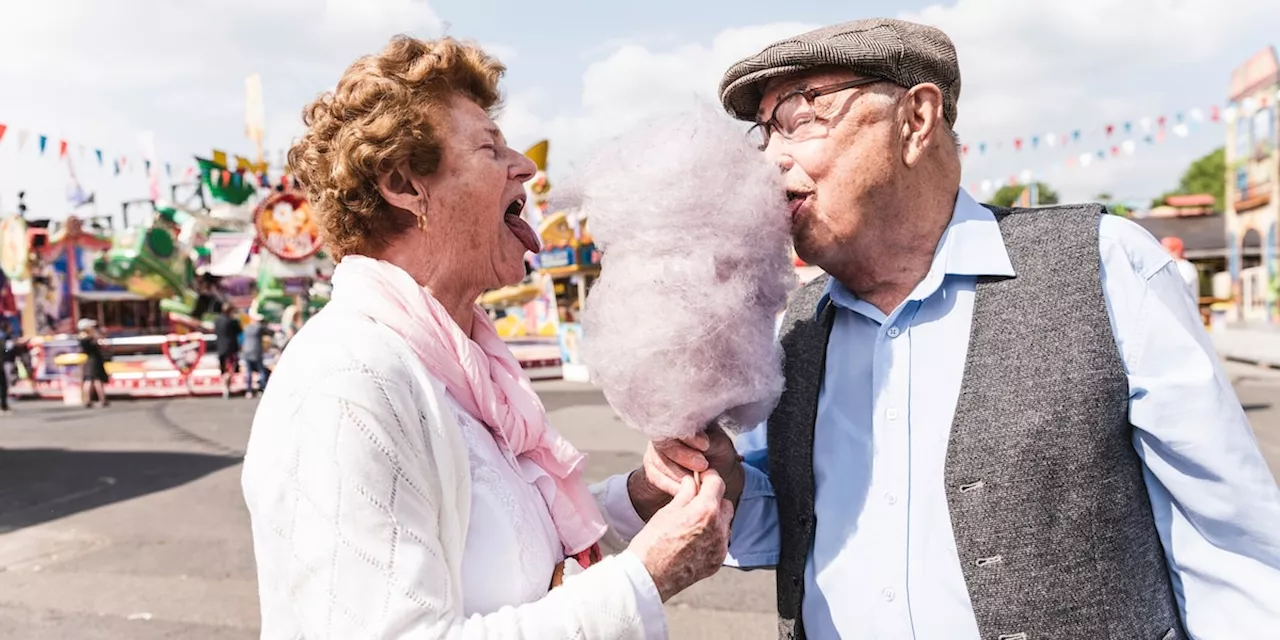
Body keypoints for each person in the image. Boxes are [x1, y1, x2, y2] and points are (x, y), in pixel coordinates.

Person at [641, 18, 1280, 640]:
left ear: (916, 120)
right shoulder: (800, 323)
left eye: (801, 117)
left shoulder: (1103, 264)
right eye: (763, 135)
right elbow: (797, 527)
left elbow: (1229, 546)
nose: (771, 162)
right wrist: (725, 483)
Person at [241, 35, 731, 640]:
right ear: (404, 185)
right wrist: (644, 578)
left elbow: (513, 539)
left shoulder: (458, 363)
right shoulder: (348, 383)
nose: (524, 166)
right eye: (489, 148)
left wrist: (645, 497)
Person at [77, 318, 109, 408]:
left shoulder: (82, 337)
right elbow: (101, 344)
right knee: (96, 379)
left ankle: (87, 400)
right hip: (94, 359)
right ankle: (102, 399)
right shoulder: (89, 337)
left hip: (88, 360)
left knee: (89, 379)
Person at [213, 304, 242, 399]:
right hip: (231, 348)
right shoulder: (233, 321)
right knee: (230, 368)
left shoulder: (217, 321)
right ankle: (227, 386)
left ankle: (225, 387)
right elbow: (239, 331)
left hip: (220, 348)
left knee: (223, 368)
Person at [1161, 235, 1201, 300]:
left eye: (1164, 247)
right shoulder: (1169, 266)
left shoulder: (1185, 267)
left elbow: (1176, 286)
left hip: (1184, 308)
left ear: (1174, 250)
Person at [241, 311, 269, 398]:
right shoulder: (259, 328)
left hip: (246, 351)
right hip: (256, 352)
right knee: (261, 370)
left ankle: (248, 390)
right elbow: (269, 331)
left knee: (249, 372)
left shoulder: (246, 328)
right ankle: (262, 388)